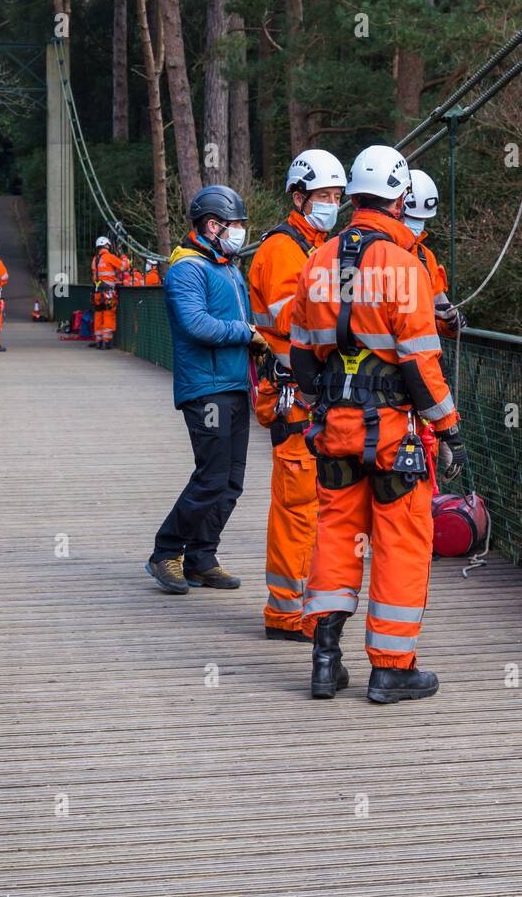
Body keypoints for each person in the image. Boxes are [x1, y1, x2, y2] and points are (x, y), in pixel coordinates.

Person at [290, 144, 468, 704]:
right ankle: (391, 668)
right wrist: (449, 427)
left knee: (336, 535)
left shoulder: (319, 261)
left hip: (335, 428)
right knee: (400, 542)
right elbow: (419, 363)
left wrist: (322, 406)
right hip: (393, 432)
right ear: (399, 197)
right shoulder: (405, 266)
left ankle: (325, 660)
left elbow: (300, 352)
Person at [145, 185, 268, 594]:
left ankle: (201, 556)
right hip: (205, 389)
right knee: (212, 476)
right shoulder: (187, 268)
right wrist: (247, 333)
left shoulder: (227, 266)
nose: (240, 233)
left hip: (233, 385)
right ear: (213, 225)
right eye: (235, 226)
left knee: (232, 480)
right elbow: (196, 325)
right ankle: (166, 551)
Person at [249, 148, 347, 640]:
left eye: (336, 196)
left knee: (315, 505)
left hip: (314, 395)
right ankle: (286, 611)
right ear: (299, 196)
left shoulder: (317, 246)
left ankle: (304, 602)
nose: (331, 204)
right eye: (323, 196)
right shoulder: (283, 249)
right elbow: (294, 317)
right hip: (293, 394)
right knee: (297, 505)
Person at [403, 170, 466, 338]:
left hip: (423, 357)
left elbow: (440, 305)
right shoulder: (379, 252)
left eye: (421, 220)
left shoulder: (425, 257)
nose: (417, 225)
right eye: (411, 218)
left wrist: (452, 322)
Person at [90, 236, 129, 347]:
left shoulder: (95, 259)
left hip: (97, 293)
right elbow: (124, 267)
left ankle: (98, 340)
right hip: (107, 293)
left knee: (98, 314)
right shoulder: (109, 257)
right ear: (107, 245)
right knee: (108, 314)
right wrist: (123, 256)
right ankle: (106, 341)